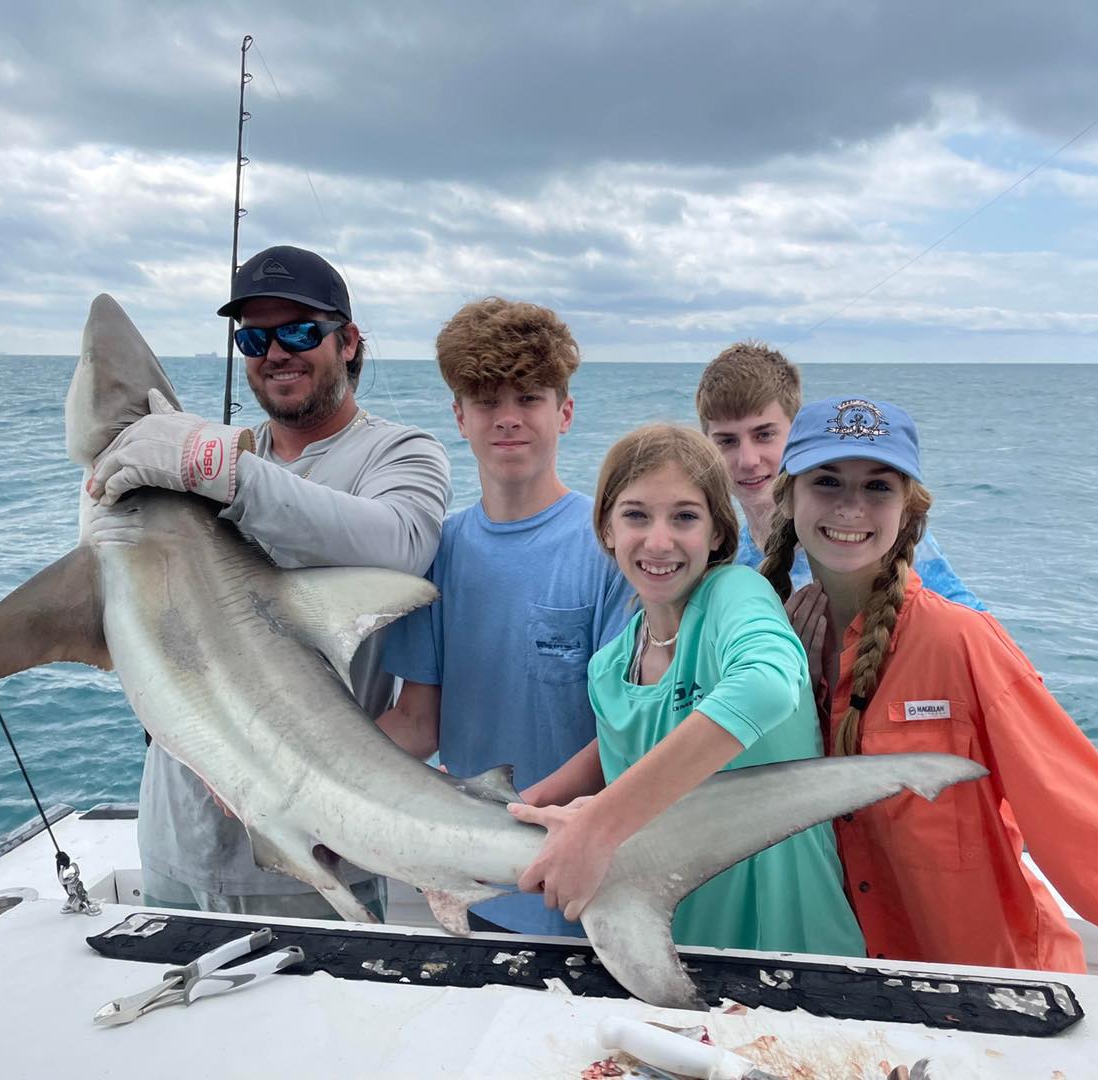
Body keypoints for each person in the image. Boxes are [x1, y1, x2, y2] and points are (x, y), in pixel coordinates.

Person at [760, 395, 1098, 1070]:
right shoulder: (765, 645)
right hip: (845, 1011)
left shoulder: (962, 643)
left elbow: (1097, 835)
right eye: (827, 481)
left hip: (997, 1012)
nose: (849, 507)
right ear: (788, 499)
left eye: (877, 486)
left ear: (910, 511)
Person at [89, 244, 451, 918]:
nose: (275, 351)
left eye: (299, 331)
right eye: (254, 337)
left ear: (348, 342)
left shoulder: (398, 454)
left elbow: (401, 544)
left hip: (310, 857)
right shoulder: (201, 467)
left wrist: (223, 474)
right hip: (174, 841)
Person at [508, 424, 862, 956]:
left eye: (684, 517)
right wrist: (515, 807)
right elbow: (639, 776)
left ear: (718, 533)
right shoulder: (608, 670)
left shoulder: (734, 595)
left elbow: (766, 685)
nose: (658, 541)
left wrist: (598, 826)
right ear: (605, 529)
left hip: (795, 946)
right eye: (635, 515)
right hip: (678, 950)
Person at [378, 297, 631, 936]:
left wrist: (524, 811)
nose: (508, 419)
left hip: (589, 891)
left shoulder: (615, 551)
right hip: (475, 892)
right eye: (488, 401)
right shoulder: (438, 552)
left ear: (565, 412)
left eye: (530, 398)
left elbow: (629, 734)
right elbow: (417, 722)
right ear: (459, 417)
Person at [695, 341, 982, 607]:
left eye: (765, 435)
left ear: (797, 435)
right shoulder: (721, 561)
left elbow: (973, 626)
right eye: (727, 441)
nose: (748, 460)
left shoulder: (877, 535)